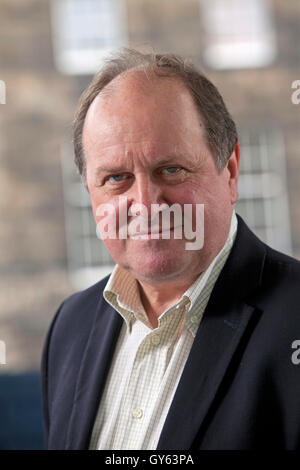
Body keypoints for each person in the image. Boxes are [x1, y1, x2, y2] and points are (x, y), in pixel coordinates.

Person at [40, 48, 300, 450]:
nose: (145, 204)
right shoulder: (68, 328)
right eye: (116, 178)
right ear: (91, 192)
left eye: (172, 170)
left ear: (229, 171)